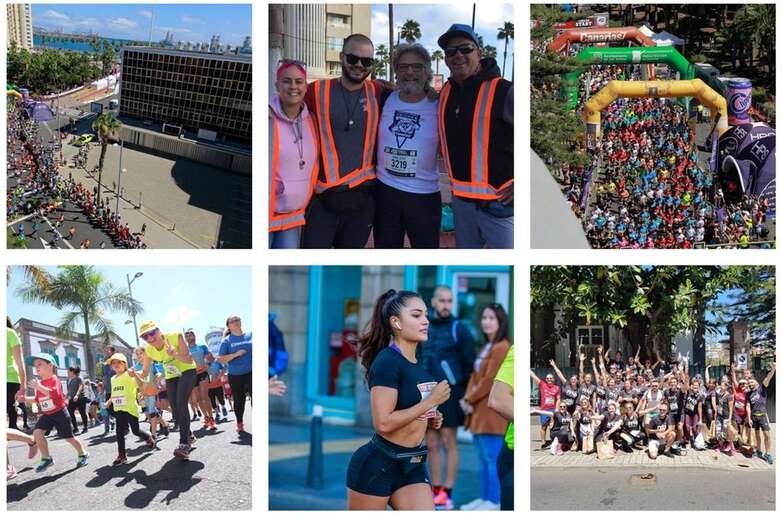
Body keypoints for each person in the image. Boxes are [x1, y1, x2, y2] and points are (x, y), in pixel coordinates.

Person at [346, 290, 451, 510]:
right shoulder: (387, 361)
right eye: (416, 315)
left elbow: (410, 408)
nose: (425, 321)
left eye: (425, 315)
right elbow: (383, 423)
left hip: (412, 465)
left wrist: (430, 417)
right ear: (396, 322)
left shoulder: (417, 363)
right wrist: (429, 403)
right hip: (378, 465)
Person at [302, 34, 390, 248]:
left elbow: (410, 94)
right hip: (323, 197)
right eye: (353, 58)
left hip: (362, 198)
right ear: (342, 57)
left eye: (366, 61)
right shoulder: (316, 91)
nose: (359, 65)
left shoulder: (379, 92)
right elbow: (288, 105)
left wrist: (430, 93)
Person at [437, 24, 514, 248]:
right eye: (451, 52)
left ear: (479, 53)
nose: (458, 55)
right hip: (462, 203)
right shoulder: (445, 92)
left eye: (465, 49)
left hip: (499, 204)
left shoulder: (504, 90)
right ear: (445, 59)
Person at [373, 43, 441, 248]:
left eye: (417, 66)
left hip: (424, 195)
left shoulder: (440, 103)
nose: (409, 72)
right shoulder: (384, 97)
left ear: (427, 71)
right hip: (385, 192)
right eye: (403, 66)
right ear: (395, 70)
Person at [419, 285, 475, 510]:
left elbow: (469, 364)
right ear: (433, 302)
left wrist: (464, 394)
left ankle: (447, 493)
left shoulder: (458, 328)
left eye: (449, 301)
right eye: (441, 300)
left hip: (451, 395)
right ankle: (435, 490)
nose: (445, 305)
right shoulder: (425, 327)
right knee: (431, 443)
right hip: (427, 393)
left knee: (448, 441)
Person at [460, 304, 510, 510]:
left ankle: (494, 501)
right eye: (484, 317)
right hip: (478, 411)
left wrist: (468, 398)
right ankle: (485, 498)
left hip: (490, 413)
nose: (486, 322)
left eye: (491, 318)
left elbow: (490, 380)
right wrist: (468, 398)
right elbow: (475, 376)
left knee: (491, 459)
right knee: (482, 458)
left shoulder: (501, 347)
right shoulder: (488, 346)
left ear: (500, 323)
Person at [269, 60, 319, 248]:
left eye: (299, 81)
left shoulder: (311, 120)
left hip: (294, 215)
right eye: (286, 81)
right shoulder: (266, 117)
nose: (293, 86)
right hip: (267, 214)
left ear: (306, 87)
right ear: (277, 85)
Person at [138, 321, 197, 459]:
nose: (150, 338)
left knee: (181, 403)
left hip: (187, 370)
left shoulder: (175, 336)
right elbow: (145, 372)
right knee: (175, 408)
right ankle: (189, 434)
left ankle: (184, 444)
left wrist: (174, 354)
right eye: (145, 336)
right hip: (172, 375)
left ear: (158, 330)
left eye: (152, 333)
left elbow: (188, 360)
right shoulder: (149, 350)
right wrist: (133, 373)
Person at [24, 353, 89, 471]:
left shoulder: (54, 379)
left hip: (60, 413)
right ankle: (46, 458)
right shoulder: (40, 383)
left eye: (39, 364)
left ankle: (82, 453)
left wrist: (38, 387)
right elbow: (37, 400)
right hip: (47, 414)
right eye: (35, 365)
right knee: (37, 433)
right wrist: (24, 399)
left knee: (69, 437)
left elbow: (54, 394)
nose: (36, 367)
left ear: (50, 365)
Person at [104, 353, 155, 465]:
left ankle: (147, 437)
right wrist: (109, 401)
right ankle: (122, 455)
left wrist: (135, 375)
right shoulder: (113, 379)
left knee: (135, 431)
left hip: (131, 409)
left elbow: (141, 385)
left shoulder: (129, 374)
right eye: (113, 363)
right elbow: (114, 392)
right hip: (119, 409)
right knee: (119, 433)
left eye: (118, 362)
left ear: (125, 364)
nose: (116, 365)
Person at [488, 344, 514, 511]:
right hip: (511, 452)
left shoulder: (501, 346)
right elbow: (497, 399)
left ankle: (488, 499)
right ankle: (487, 498)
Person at [218, 315, 252, 434]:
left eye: (237, 319)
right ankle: (239, 422)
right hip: (236, 375)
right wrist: (235, 355)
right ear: (228, 326)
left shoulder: (251, 335)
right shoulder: (226, 341)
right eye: (233, 321)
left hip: (252, 371)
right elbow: (221, 359)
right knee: (239, 399)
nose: (236, 322)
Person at [133, 347, 169, 441]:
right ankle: (165, 424)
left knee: (151, 411)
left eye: (141, 353)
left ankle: (153, 435)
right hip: (143, 392)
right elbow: (136, 382)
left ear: (145, 354)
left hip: (152, 390)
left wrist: (157, 376)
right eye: (137, 354)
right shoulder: (136, 367)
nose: (139, 355)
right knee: (152, 411)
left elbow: (157, 373)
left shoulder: (151, 363)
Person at [186, 329, 216, 430]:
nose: (189, 337)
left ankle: (211, 418)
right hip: (191, 375)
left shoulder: (202, 346)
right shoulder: (185, 350)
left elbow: (211, 358)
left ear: (194, 336)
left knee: (204, 396)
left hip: (203, 373)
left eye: (191, 335)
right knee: (198, 399)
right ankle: (206, 417)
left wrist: (207, 365)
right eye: (187, 336)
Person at [748, 363, 775, 464]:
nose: (750, 384)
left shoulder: (762, 388)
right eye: (749, 384)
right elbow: (748, 406)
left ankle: (767, 454)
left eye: (752, 383)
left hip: (763, 416)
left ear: (756, 382)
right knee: (757, 435)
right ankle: (758, 451)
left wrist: (773, 370)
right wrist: (749, 417)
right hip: (754, 417)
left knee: (767, 435)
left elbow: (768, 378)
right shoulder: (748, 393)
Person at [529, 368, 560, 449]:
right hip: (544, 410)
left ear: (553, 379)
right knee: (543, 426)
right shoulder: (542, 384)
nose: (549, 379)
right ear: (546, 379)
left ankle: (553, 441)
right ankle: (543, 442)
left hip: (553, 409)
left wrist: (556, 409)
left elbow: (558, 399)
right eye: (547, 378)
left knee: (553, 427)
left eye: (551, 378)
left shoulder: (557, 388)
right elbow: (533, 375)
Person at [66, 366, 89, 434]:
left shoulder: (79, 378)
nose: (67, 373)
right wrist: (66, 396)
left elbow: (80, 387)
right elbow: (70, 390)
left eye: (68, 371)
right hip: (72, 399)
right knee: (70, 412)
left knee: (82, 413)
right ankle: (75, 428)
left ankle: (85, 427)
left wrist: (77, 395)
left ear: (72, 372)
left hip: (80, 398)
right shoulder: (68, 380)